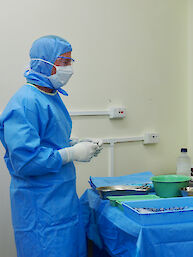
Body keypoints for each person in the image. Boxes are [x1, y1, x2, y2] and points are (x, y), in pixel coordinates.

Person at [0, 35, 102, 257]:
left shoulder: (50, 95)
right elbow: (25, 161)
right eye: (63, 62)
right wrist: (70, 153)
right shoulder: (26, 102)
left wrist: (74, 144)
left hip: (61, 202)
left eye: (70, 61)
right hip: (40, 210)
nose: (70, 68)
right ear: (44, 62)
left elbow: (48, 140)